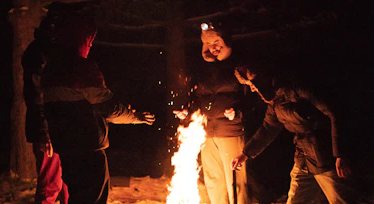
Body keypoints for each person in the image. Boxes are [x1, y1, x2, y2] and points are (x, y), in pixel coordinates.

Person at [41, 12, 155, 203]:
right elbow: (108, 108)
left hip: (67, 148)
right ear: (79, 38)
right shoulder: (82, 69)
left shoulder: (51, 69)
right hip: (87, 149)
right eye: (89, 39)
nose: (91, 44)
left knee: (78, 197)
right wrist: (136, 116)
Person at [231, 66, 359, 203]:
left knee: (341, 200)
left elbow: (334, 112)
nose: (252, 89)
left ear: (261, 79)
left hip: (326, 156)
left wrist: (340, 154)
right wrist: (245, 154)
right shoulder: (274, 101)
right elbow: (269, 128)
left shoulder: (296, 87)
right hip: (303, 157)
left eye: (252, 84)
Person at [173, 19, 263, 204]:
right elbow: (198, 99)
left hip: (230, 132)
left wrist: (238, 112)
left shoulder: (239, 65)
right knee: (214, 181)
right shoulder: (201, 69)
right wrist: (187, 111)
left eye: (216, 43)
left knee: (235, 182)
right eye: (207, 44)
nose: (212, 47)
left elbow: (256, 97)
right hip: (206, 133)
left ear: (225, 42)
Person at [22, 11, 69, 204]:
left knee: (69, 184)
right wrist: (45, 132)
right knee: (50, 186)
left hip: (61, 126)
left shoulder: (57, 51)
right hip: (50, 128)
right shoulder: (41, 53)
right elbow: (37, 94)